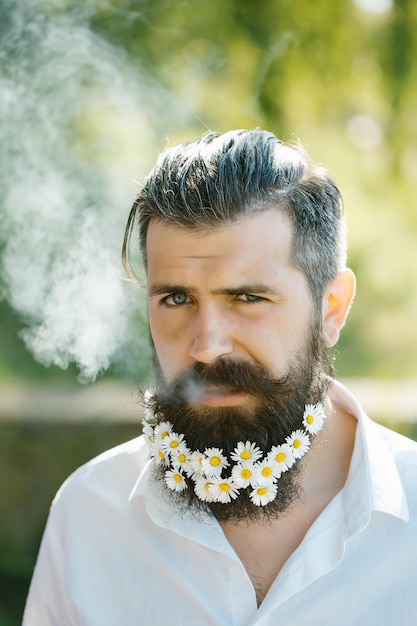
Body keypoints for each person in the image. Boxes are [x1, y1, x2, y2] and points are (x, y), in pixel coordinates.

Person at [23, 129, 417, 625]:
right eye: (177, 299)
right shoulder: (89, 513)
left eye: (248, 298)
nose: (207, 344)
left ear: (331, 308)